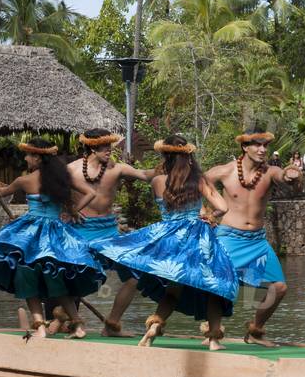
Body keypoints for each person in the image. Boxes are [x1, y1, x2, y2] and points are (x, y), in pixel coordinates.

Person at [93, 136, 238, 351]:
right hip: (197, 239)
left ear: (165, 156)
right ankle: (214, 340)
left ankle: (154, 328)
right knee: (213, 287)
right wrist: (210, 216)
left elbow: (167, 210)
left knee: (172, 291)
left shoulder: (157, 182)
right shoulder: (198, 180)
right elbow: (223, 207)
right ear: (188, 156)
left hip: (169, 239)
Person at [0, 139, 106, 339]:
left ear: (37, 157)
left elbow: (0, 192)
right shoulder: (62, 178)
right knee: (58, 283)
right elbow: (90, 193)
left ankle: (41, 329)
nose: (26, 159)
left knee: (26, 281)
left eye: (28, 155)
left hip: (31, 236)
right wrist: (72, 212)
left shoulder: (24, 180)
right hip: (56, 235)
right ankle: (78, 325)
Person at [205, 129, 301, 346]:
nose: (262, 150)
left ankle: (255, 331)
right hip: (228, 237)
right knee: (220, 285)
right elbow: (200, 182)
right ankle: (213, 335)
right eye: (257, 145)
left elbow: (284, 177)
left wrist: (292, 175)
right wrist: (207, 210)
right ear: (244, 147)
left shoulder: (270, 172)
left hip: (257, 241)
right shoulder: (225, 171)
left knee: (279, 288)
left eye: (265, 145)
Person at [66, 128, 156, 336]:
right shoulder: (71, 169)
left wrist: (165, 167)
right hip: (80, 230)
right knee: (72, 277)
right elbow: (53, 190)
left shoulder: (117, 169)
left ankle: (111, 324)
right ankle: (69, 320)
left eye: (110, 145)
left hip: (109, 232)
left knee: (134, 276)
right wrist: (66, 210)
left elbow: (144, 175)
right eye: (105, 147)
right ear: (92, 147)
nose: (109, 150)